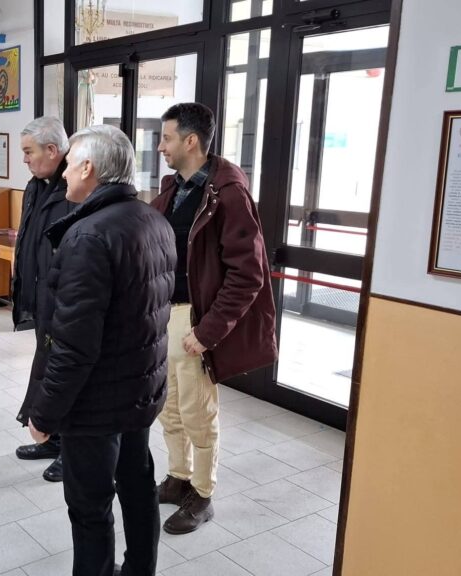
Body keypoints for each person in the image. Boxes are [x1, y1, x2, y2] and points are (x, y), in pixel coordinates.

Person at [28, 124, 176, 576]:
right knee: (137, 485)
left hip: (97, 401)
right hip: (138, 387)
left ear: (88, 168)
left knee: (89, 507)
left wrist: (44, 414)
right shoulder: (152, 218)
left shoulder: (88, 236)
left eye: (70, 164)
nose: (64, 174)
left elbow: (73, 345)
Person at [151, 102, 278, 535]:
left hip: (195, 322)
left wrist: (207, 332)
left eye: (167, 138)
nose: (160, 147)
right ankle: (178, 477)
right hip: (164, 317)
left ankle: (203, 494)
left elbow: (249, 274)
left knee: (197, 413)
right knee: (168, 408)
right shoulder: (173, 189)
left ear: (191, 141)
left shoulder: (228, 193)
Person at [12, 116, 75, 483]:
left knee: (65, 374)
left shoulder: (74, 186)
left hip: (65, 301)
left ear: (52, 150)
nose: (25, 160)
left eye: (28, 152)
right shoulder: (37, 185)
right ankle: (53, 437)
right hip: (42, 297)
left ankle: (72, 451)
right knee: (48, 368)